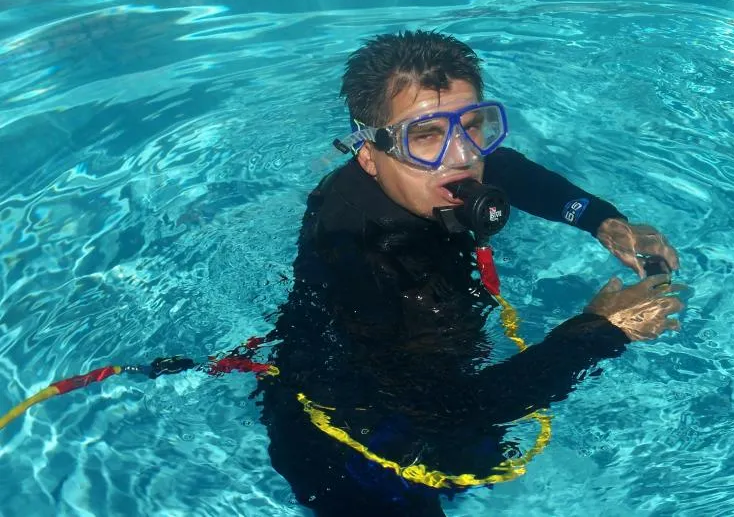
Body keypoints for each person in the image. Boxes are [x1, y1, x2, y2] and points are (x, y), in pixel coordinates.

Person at [256, 30, 685, 516]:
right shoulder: (380, 260)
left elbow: (509, 169)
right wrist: (601, 330)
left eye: (473, 125)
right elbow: (451, 413)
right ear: (368, 155)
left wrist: (602, 220)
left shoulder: (427, 171)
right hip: (356, 451)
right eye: (425, 135)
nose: (462, 157)